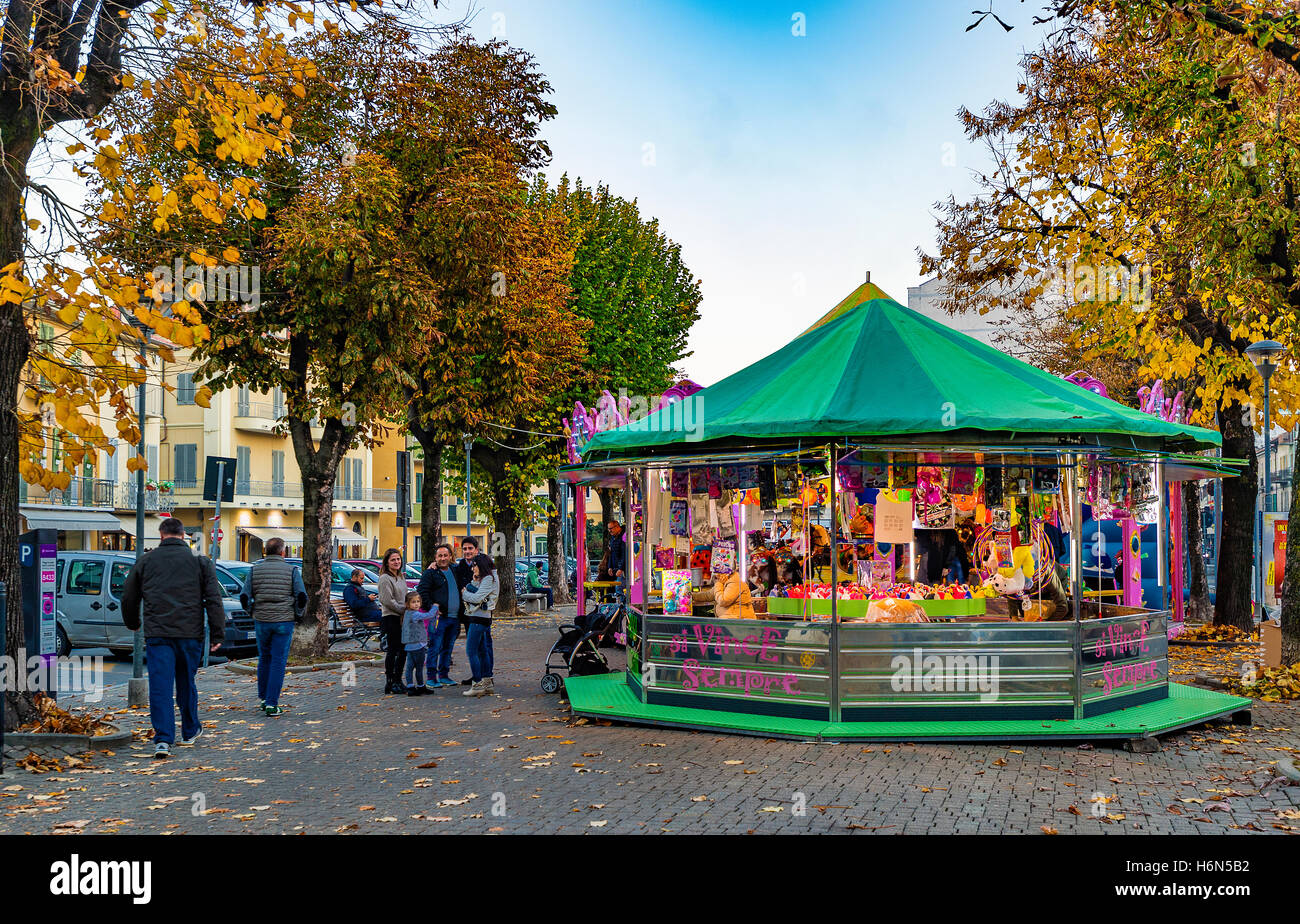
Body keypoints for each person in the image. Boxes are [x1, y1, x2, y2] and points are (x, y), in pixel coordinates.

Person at [121, 517, 226, 759]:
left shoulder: (146, 561)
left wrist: (133, 623)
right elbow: (213, 599)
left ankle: (163, 740)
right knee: (186, 682)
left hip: (158, 633)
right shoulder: (200, 561)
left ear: (161, 536)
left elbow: (128, 597)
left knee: (160, 686)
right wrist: (217, 633)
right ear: (183, 535)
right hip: (190, 634)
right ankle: (189, 731)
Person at [239, 537, 308, 716]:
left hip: (262, 620)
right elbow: (301, 596)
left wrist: (252, 612)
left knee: (264, 658)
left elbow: (244, 597)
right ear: (282, 552)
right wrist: (298, 615)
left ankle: (263, 698)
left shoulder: (255, 570)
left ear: (266, 551)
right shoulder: (291, 570)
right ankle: (272, 703)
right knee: (278, 661)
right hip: (284, 620)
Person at [416, 543, 468, 687]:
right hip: (438, 618)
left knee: (448, 648)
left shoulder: (455, 570)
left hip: (454, 618)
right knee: (435, 647)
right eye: (440, 556)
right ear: (435, 558)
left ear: (450, 556)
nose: (443, 558)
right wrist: (432, 607)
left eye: (445, 555)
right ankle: (431, 678)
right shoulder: (430, 573)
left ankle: (444, 675)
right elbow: (422, 592)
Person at [460, 552, 499, 697]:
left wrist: (465, 593)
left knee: (471, 651)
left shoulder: (489, 578)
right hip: (481, 617)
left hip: (478, 619)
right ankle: (487, 682)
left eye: (474, 566)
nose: (472, 569)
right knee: (482, 651)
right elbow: (477, 591)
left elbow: (477, 598)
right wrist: (474, 581)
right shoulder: (487, 578)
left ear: (480, 565)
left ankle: (477, 683)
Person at [377, 548, 409, 694]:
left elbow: (405, 596)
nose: (396, 562)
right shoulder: (385, 578)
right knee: (393, 650)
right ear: (387, 562)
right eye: (393, 560)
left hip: (402, 618)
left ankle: (398, 679)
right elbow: (387, 600)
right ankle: (390, 681)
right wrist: (403, 609)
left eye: (398, 559)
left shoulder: (401, 576)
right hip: (391, 617)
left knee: (403, 651)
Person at [402, 591, 437, 695]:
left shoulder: (407, 613)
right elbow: (429, 615)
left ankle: (410, 687)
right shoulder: (415, 614)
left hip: (409, 645)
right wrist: (435, 606)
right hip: (418, 645)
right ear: (407, 604)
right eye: (413, 602)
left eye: (418, 601)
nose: (416, 604)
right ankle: (421, 686)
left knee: (409, 667)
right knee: (419, 667)